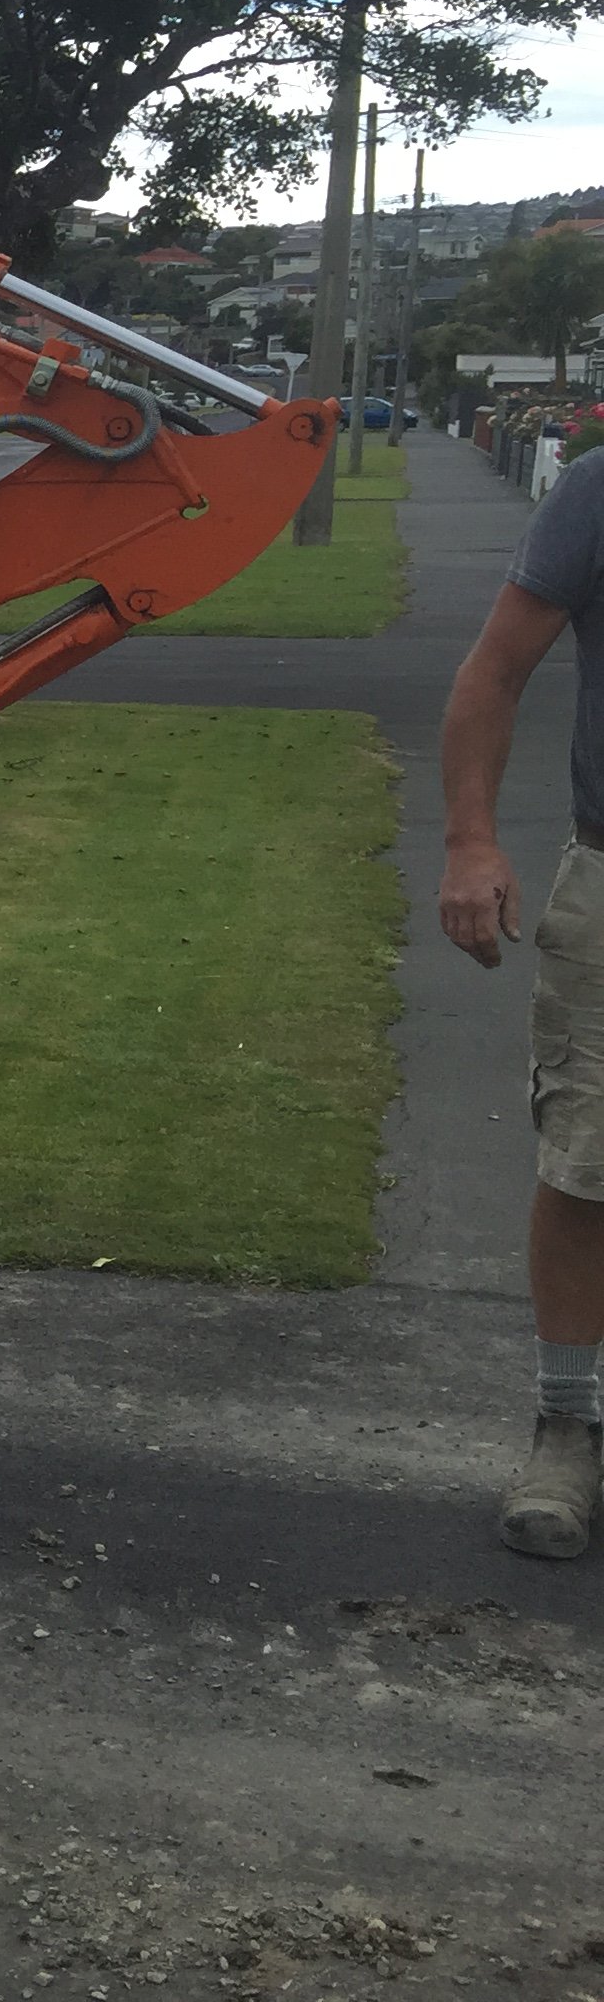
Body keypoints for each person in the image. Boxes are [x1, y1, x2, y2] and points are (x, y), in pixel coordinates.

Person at [439, 449, 604, 1557]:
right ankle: (567, 1424)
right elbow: (496, 670)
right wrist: (471, 841)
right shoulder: (597, 490)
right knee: (586, 1162)